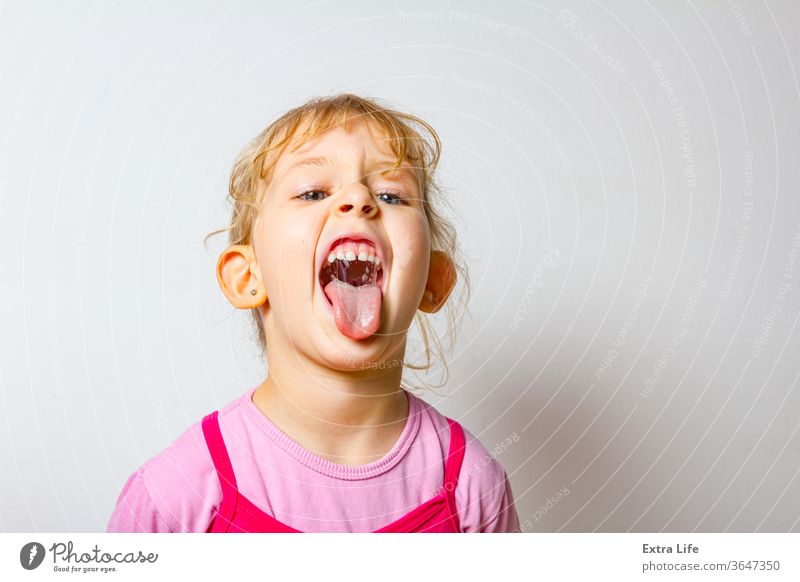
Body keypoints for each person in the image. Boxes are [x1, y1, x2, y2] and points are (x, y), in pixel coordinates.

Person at [107, 93, 520, 533]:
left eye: (392, 195)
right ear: (247, 277)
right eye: (312, 192)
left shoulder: (472, 489)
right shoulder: (178, 496)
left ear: (433, 281)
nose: (359, 199)